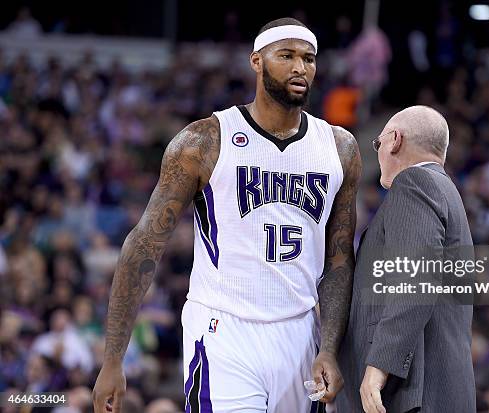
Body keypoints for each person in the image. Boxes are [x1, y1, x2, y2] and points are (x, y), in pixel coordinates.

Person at [92, 17, 361, 413]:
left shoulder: (339, 148)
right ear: (257, 61)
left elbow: (339, 261)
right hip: (224, 329)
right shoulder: (204, 140)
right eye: (285, 56)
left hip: (301, 330)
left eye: (308, 58)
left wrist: (330, 346)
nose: (300, 67)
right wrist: (113, 358)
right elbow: (145, 243)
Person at [336, 106, 475, 412]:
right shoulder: (445, 190)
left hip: (414, 395)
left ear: (395, 140)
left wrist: (378, 368)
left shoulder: (414, 183)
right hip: (439, 389)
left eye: (379, 144)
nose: (380, 152)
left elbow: (415, 280)